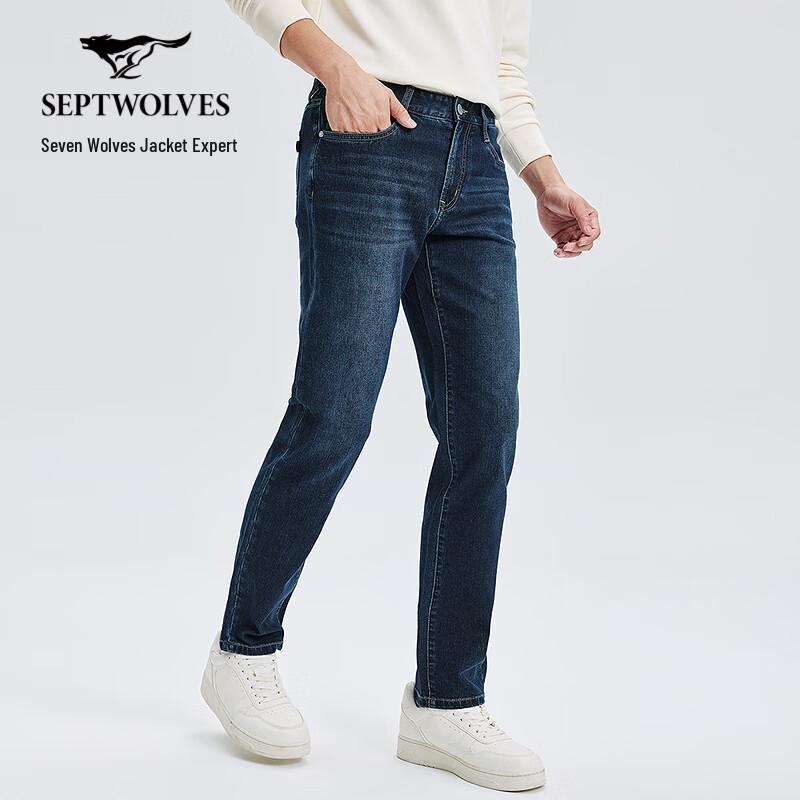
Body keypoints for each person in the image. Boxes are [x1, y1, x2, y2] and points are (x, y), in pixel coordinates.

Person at [201, 0, 600, 790]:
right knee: (334, 414)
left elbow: (502, 65)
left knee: (485, 432)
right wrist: (338, 71)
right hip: (367, 136)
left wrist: (544, 176)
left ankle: (446, 702)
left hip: (478, 157)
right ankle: (242, 653)